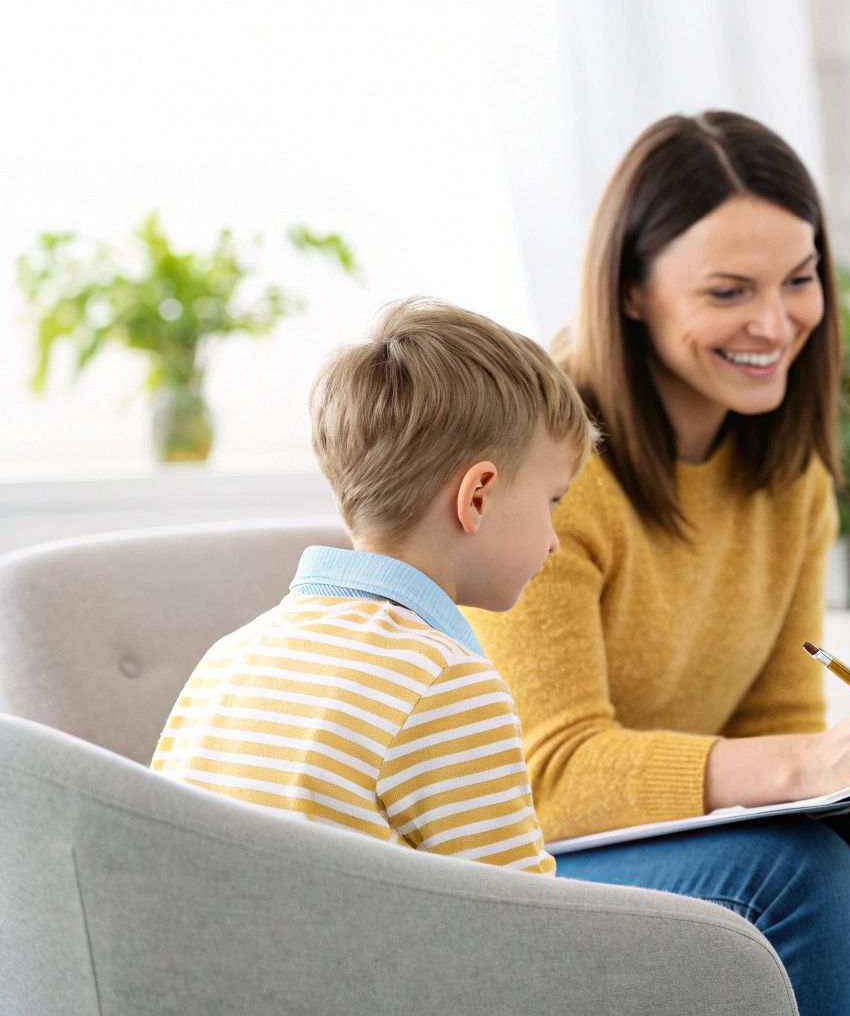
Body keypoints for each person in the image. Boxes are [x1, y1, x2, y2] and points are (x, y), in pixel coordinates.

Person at [465, 111, 850, 1016]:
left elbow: (775, 718)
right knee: (794, 875)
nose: (776, 323)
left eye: (799, 280)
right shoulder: (547, 467)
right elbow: (551, 780)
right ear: (630, 291)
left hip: (676, 838)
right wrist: (805, 765)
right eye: (729, 291)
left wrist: (839, 769)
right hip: (529, 853)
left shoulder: (787, 470)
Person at [152, 297, 596, 874]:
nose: (555, 540)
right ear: (478, 497)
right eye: (553, 501)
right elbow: (521, 914)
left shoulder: (227, 656)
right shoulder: (446, 684)